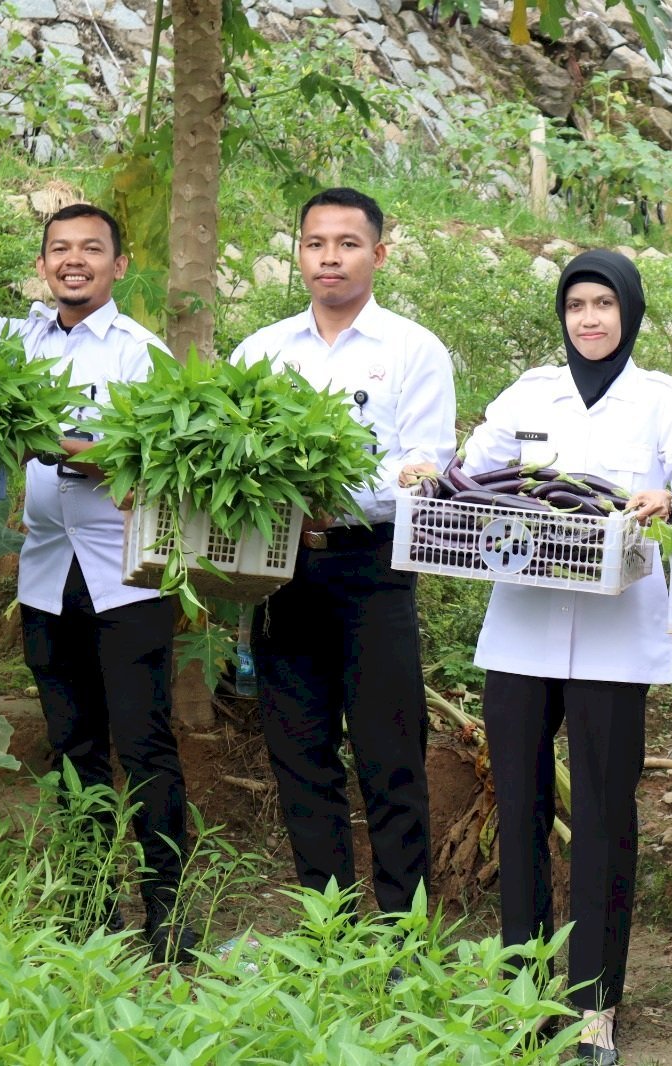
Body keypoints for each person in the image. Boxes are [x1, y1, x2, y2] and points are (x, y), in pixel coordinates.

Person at [434, 249, 672, 1064]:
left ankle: (595, 1007)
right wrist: (430, 470)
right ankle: (523, 988)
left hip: (618, 638)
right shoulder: (529, 393)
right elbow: (467, 468)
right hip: (521, 630)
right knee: (517, 809)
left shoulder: (661, 400)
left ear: (630, 312)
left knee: (602, 816)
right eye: (577, 304)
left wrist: (671, 497)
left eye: (604, 305)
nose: (589, 319)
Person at [0, 204, 196, 962]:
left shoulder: (143, 352)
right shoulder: (16, 337)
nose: (75, 260)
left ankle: (168, 916)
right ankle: (89, 904)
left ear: (119, 266)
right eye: (60, 249)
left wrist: (51, 440)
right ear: (43, 265)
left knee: (146, 746)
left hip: (127, 580)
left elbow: (143, 456)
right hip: (45, 575)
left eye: (92, 249)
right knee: (72, 745)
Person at [230, 187, 456, 921]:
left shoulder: (413, 350)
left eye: (348, 243)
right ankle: (327, 932)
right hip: (280, 573)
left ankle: (400, 933)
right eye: (316, 243)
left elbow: (426, 463)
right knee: (301, 758)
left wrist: (335, 493)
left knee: (391, 759)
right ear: (298, 253)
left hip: (374, 569)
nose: (330, 257)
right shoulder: (260, 351)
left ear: (378, 254)